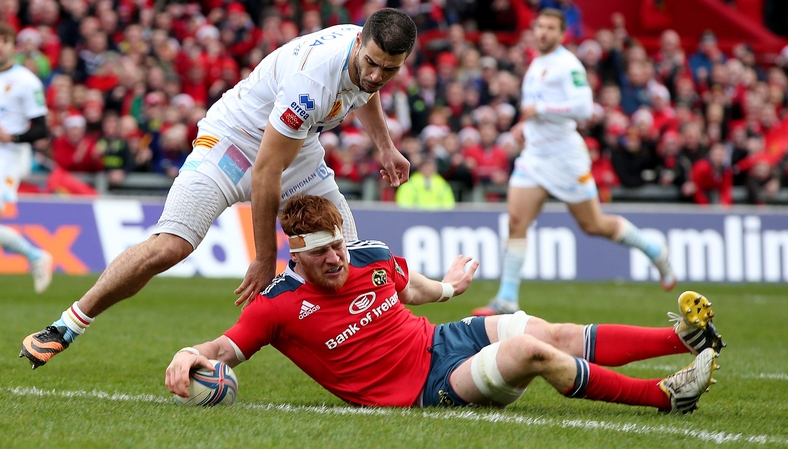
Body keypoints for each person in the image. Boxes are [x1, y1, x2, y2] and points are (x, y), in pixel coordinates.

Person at [20, 9, 417, 369]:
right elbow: (265, 173)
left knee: (350, 256)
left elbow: (364, 90)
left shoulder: (368, 52)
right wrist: (265, 258)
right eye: (372, 64)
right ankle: (65, 326)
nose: (377, 76)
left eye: (389, 69)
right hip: (233, 145)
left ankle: (370, 363)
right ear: (360, 42)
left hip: (295, 150)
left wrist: (385, 146)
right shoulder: (310, 83)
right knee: (169, 246)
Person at [165, 194, 725, 414]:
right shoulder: (277, 305)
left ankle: (684, 340)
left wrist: (452, 288)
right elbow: (226, 347)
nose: (337, 258)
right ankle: (666, 398)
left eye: (339, 244)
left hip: (440, 342)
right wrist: (192, 352)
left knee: (546, 329)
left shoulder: (370, 255)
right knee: (527, 350)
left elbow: (412, 290)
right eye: (324, 254)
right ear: (297, 255)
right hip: (421, 390)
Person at [473, 9, 675, 317]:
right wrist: (524, 126)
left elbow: (584, 108)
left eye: (550, 28)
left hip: (565, 157)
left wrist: (540, 108)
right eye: (540, 26)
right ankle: (507, 299)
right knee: (516, 221)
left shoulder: (568, 64)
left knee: (594, 225)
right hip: (535, 156)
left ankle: (655, 251)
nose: (543, 33)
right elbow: (537, 113)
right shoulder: (537, 62)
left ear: (562, 34)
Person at [0, 22, 53, 294]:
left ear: (12, 46)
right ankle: (35, 256)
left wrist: (13, 138)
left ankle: (35, 256)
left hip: (10, 155)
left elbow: (43, 128)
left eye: (4, 41)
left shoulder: (26, 81)